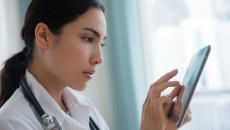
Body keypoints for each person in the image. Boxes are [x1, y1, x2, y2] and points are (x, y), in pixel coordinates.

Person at [0, 0, 191, 130]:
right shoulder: (12, 122)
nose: (99, 58)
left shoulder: (84, 107)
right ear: (43, 36)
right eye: (88, 38)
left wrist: (164, 126)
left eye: (102, 44)